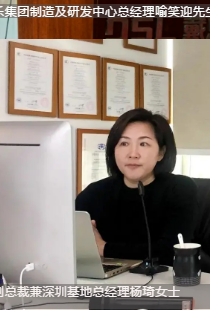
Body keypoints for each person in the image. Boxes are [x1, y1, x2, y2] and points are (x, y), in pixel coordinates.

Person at [75, 108, 197, 266]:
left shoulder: (180, 189)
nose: (133, 154)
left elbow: (172, 251)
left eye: (143, 144)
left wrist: (104, 248)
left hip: (161, 279)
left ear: (161, 152)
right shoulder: (95, 192)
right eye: (124, 143)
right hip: (104, 278)